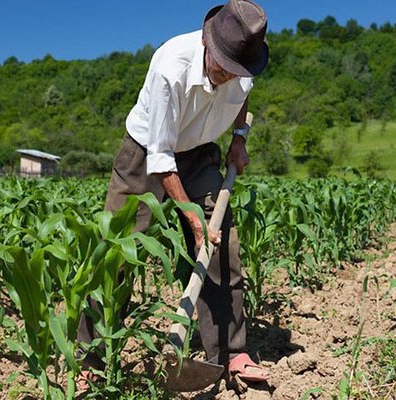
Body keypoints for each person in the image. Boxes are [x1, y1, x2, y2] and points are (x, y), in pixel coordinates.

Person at [76, 0, 271, 389]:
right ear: (205, 41)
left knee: (222, 243)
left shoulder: (243, 68)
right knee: (117, 249)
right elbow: (161, 158)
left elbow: (242, 98)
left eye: (235, 70)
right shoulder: (170, 66)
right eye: (220, 65)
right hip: (147, 151)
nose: (225, 76)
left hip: (200, 152)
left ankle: (230, 354)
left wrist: (239, 139)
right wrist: (191, 218)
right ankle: (88, 356)